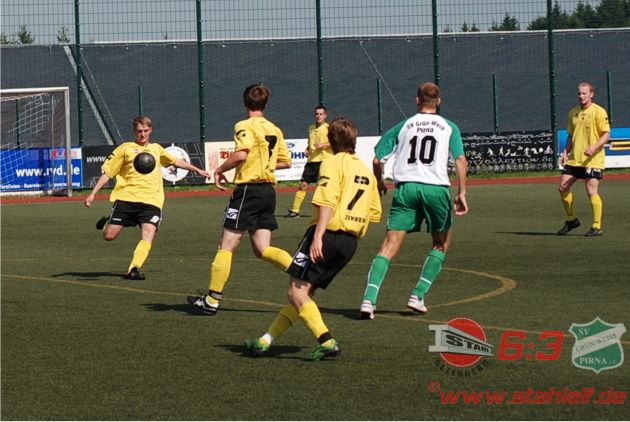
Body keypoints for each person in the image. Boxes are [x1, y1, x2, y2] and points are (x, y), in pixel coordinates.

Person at [245, 117, 381, 360]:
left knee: (296, 293)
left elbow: (326, 200)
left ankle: (327, 341)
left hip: (327, 235)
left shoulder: (331, 163)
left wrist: (318, 236)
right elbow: (374, 212)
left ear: (330, 140)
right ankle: (264, 341)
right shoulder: (365, 170)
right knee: (303, 293)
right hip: (350, 243)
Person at [359, 82, 468, 320]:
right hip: (436, 189)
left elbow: (377, 160)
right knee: (440, 244)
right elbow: (460, 159)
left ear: (417, 100)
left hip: (406, 189)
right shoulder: (449, 127)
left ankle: (368, 300)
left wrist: (379, 182)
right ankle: (417, 295)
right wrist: (462, 192)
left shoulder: (404, 125)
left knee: (389, 245)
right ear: (439, 102)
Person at [187, 84, 293, 315]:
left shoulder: (244, 125)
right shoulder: (274, 129)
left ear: (245, 103)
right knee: (263, 249)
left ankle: (211, 301)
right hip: (268, 192)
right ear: (266, 104)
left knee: (225, 246)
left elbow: (241, 154)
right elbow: (286, 162)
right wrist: (264, 164)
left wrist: (219, 170)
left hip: (248, 191)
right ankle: (302, 272)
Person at [84, 115, 211, 280]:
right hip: (126, 198)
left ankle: (133, 268)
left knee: (149, 233)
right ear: (134, 131)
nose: (142, 134)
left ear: (150, 130)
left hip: (152, 201)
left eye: (145, 130)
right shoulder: (125, 149)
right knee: (109, 236)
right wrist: (93, 193)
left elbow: (175, 161)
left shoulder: (156, 149)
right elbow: (108, 173)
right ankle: (108, 222)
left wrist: (197, 170)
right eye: (139, 131)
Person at [557, 82, 610, 237]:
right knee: (562, 188)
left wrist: (594, 147)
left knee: (591, 190)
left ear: (591, 94)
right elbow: (570, 135)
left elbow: (606, 134)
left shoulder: (599, 111)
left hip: (593, 159)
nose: (581, 96)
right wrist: (565, 152)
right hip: (575, 159)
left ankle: (596, 226)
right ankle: (571, 220)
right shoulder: (573, 112)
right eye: (579, 93)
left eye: (584, 93)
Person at [285, 104, 332, 218]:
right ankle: (295, 211)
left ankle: (324, 213)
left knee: (321, 188)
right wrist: (307, 149)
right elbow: (310, 142)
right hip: (311, 162)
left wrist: (324, 145)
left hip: (324, 161)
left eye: (321, 114)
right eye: (316, 114)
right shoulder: (311, 127)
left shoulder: (329, 128)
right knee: (303, 185)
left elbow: (335, 143)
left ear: (325, 115)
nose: (318, 116)